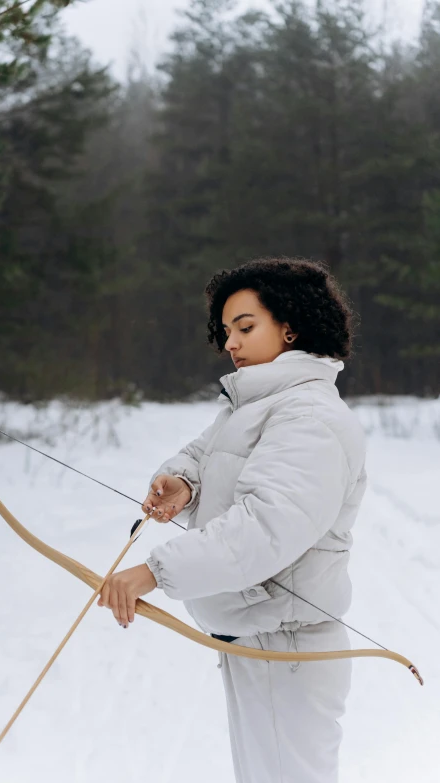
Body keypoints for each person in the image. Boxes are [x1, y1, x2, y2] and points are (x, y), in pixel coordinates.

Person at [98, 257, 367, 783]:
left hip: (289, 647)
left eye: (246, 327)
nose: (231, 344)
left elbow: (264, 529)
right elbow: (208, 454)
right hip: (260, 641)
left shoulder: (308, 416)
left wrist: (153, 572)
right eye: (226, 331)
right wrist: (184, 482)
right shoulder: (256, 405)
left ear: (290, 326)